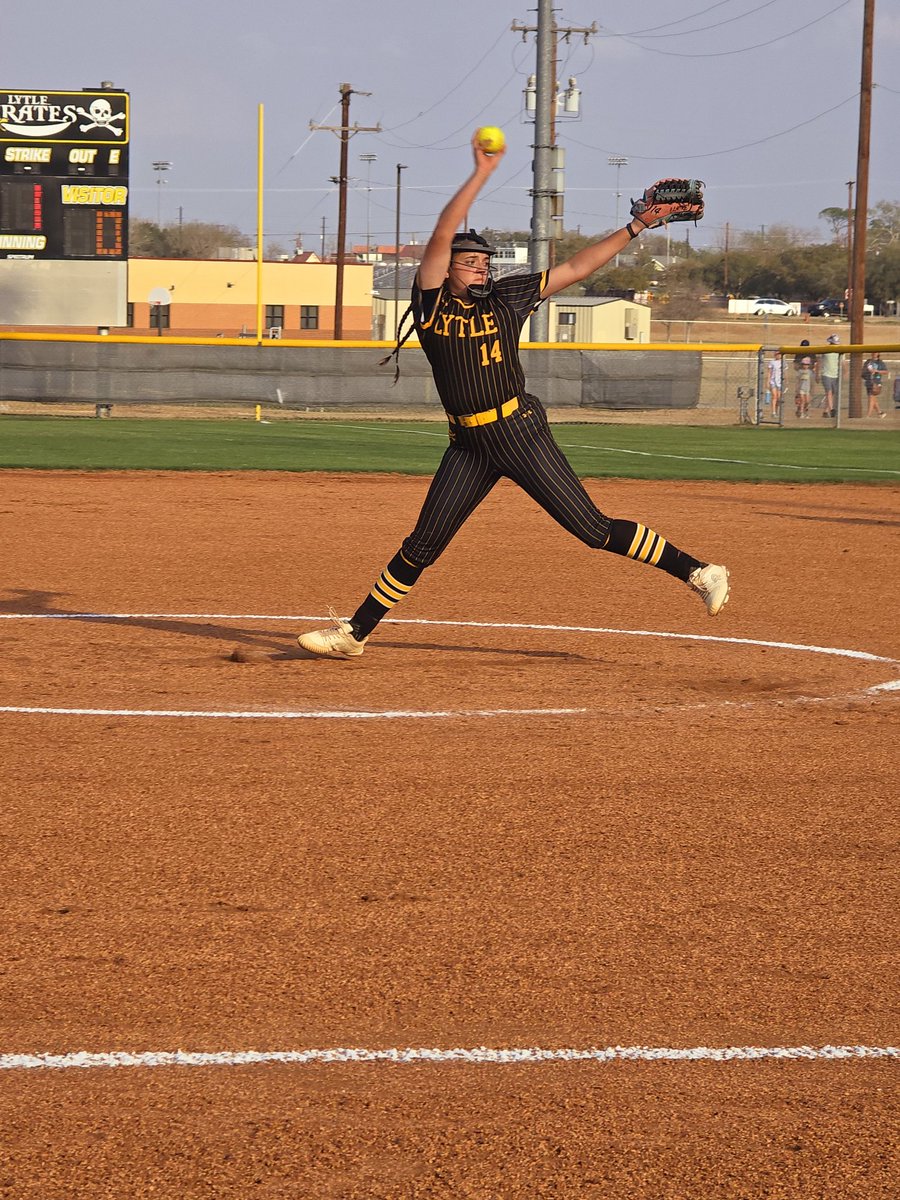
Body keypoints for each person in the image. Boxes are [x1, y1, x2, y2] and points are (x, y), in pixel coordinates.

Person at [297, 133, 729, 659]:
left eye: (484, 260)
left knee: (590, 529)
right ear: (447, 268)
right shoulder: (432, 308)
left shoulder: (507, 297)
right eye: (470, 260)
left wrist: (637, 226)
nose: (481, 266)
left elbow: (576, 268)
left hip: (520, 431)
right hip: (469, 446)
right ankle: (353, 634)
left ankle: (699, 572)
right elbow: (440, 234)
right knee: (423, 543)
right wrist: (480, 174)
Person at [819, 335, 840, 418]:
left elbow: (842, 362)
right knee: (829, 392)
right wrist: (817, 373)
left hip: (835, 375)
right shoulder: (826, 350)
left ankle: (825, 410)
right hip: (826, 374)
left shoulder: (839, 351)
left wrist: (844, 371)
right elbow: (819, 361)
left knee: (832, 393)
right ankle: (832, 410)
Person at [862, 353, 888, 418]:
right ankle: (880, 412)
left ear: (878, 354)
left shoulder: (880, 362)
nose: (874, 353)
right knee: (873, 399)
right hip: (869, 381)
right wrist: (867, 372)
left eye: (876, 352)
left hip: (876, 382)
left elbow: (886, 371)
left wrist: (877, 371)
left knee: (871, 397)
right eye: (873, 352)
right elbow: (863, 371)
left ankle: (868, 415)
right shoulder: (868, 361)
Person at [794, 340, 815, 419]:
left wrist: (812, 389)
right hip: (801, 389)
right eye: (804, 364)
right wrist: (797, 390)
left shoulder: (810, 372)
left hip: (807, 389)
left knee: (807, 401)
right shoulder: (800, 371)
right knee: (802, 401)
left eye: (807, 364)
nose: (805, 366)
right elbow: (798, 381)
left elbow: (811, 382)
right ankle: (802, 413)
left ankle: (805, 412)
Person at [766, 351, 782, 416]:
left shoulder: (783, 362)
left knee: (778, 397)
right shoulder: (772, 362)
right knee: (774, 396)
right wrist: (768, 381)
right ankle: (773, 412)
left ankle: (776, 410)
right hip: (773, 381)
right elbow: (769, 372)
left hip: (780, 381)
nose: (778, 356)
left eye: (779, 354)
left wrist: (786, 381)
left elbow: (785, 372)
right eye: (777, 354)